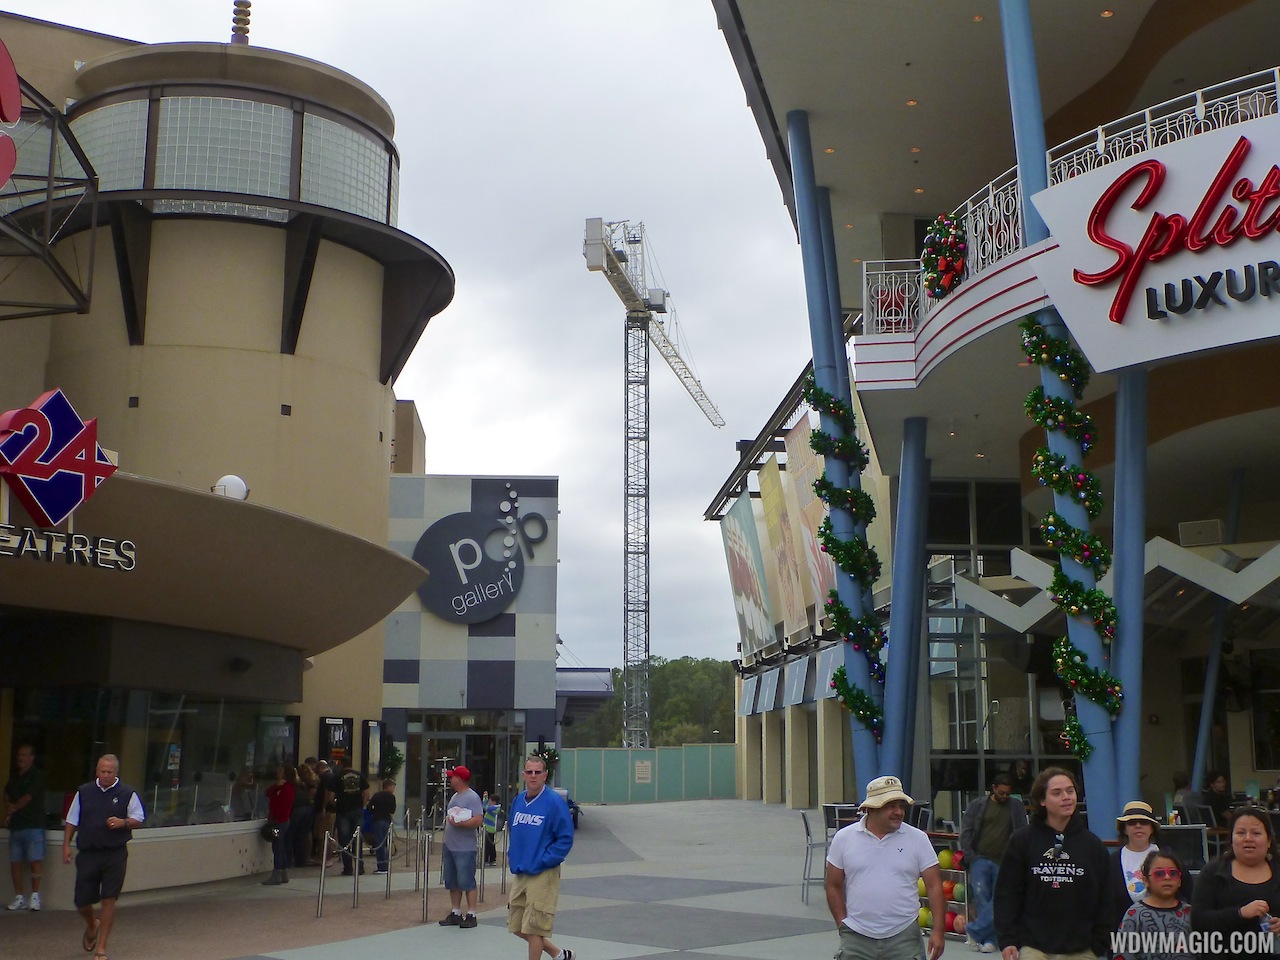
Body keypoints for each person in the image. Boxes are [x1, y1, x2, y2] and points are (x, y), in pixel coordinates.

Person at [993, 766, 1111, 960]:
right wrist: (1008, 940)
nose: (1066, 797)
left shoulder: (1093, 846)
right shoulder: (1022, 841)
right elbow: (1007, 894)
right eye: (1057, 793)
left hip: (1082, 950)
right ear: (1042, 800)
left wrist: (1098, 945)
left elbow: (1106, 899)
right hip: (1033, 948)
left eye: (1070, 791)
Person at [825, 774, 946, 960]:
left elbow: (935, 885)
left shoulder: (918, 839)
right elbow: (833, 885)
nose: (899, 812)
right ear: (870, 809)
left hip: (905, 936)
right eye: (890, 806)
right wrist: (843, 925)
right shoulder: (844, 839)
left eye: (901, 806)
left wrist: (938, 931)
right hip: (856, 937)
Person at [63, 754, 145, 960]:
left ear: (116, 773)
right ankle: (92, 923)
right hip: (89, 853)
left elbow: (139, 818)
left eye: (109, 772)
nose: (105, 775)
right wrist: (66, 845)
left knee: (109, 900)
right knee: (81, 901)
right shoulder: (84, 792)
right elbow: (72, 820)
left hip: (114, 854)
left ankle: (101, 948)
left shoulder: (127, 793)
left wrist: (123, 823)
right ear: (96, 771)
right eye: (102, 771)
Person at [507, 755, 575, 960]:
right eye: (529, 772)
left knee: (535, 927)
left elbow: (565, 838)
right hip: (521, 870)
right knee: (517, 925)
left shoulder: (554, 802)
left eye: (538, 772)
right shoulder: (519, 800)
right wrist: (514, 855)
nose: (533, 776)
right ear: (523, 775)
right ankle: (559, 954)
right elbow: (512, 829)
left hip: (543, 872)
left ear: (545, 775)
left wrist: (544, 860)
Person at [1190, 807, 1280, 960]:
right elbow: (1199, 921)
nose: (1248, 838)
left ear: (1269, 840)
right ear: (1231, 839)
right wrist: (1240, 913)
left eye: (1256, 833)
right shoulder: (1213, 872)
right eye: (1241, 833)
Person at [959, 773, 1027, 952]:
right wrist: (970, 855)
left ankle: (975, 930)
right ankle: (988, 940)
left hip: (1005, 861)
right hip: (979, 858)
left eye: (1008, 793)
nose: (1005, 796)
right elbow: (966, 831)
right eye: (1002, 792)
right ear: (994, 788)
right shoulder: (978, 805)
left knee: (1000, 900)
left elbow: (1022, 832)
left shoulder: (1016, 807)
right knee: (982, 898)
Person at [1108, 800, 1179, 927]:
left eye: (1144, 822)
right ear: (1124, 829)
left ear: (1152, 828)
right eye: (1132, 822)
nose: (1138, 826)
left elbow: (1185, 893)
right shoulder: (1112, 861)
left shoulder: (1169, 857)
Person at [1113, 849, 1193, 960]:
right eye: (1159, 873)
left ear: (1179, 880)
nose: (1167, 877)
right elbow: (1122, 954)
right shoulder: (1135, 914)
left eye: (1173, 873)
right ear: (1146, 880)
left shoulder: (1190, 913)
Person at [438, 764, 484, 929]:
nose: (450, 779)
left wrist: (461, 823)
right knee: (452, 880)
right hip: (451, 845)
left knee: (467, 880)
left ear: (459, 779)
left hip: (465, 847)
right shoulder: (454, 797)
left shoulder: (472, 797)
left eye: (452, 776)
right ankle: (456, 911)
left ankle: (471, 913)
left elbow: (478, 819)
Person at [5, 743, 45, 912]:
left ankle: (35, 896)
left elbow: (28, 796)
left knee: (35, 861)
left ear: (32, 757)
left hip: (33, 825)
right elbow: (6, 792)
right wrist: (8, 805)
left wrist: (12, 809)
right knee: (15, 862)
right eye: (19, 755)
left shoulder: (37, 775)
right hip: (16, 826)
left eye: (24, 755)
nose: (21, 758)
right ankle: (19, 897)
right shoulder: (14, 776)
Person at [332, 762, 370, 876]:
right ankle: (360, 867)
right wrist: (361, 805)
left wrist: (335, 805)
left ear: (342, 765)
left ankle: (348, 868)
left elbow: (329, 794)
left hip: (343, 811)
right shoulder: (360, 775)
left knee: (345, 841)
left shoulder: (337, 776)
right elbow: (367, 793)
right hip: (357, 810)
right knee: (357, 839)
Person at [261, 764, 295, 885]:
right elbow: (267, 792)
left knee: (278, 847)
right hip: (280, 820)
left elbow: (283, 806)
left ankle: (278, 873)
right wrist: (276, 786)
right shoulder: (281, 787)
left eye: (281, 770)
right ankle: (283, 873)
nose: (278, 772)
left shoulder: (287, 788)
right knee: (280, 846)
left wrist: (274, 816)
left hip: (280, 821)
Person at [368, 778, 397, 874]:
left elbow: (369, 807)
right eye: (393, 787)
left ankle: (382, 866)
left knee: (379, 842)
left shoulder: (376, 795)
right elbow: (392, 810)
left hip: (377, 819)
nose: (393, 789)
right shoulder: (391, 797)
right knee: (385, 843)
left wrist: (374, 812)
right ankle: (384, 866)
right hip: (386, 820)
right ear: (388, 786)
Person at [484, 791, 503, 866]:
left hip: (490, 828)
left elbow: (485, 807)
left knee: (489, 844)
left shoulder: (494, 808)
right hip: (488, 827)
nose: (489, 802)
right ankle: (491, 859)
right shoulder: (495, 808)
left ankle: (488, 859)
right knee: (490, 844)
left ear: (494, 802)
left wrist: (484, 799)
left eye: (490, 801)